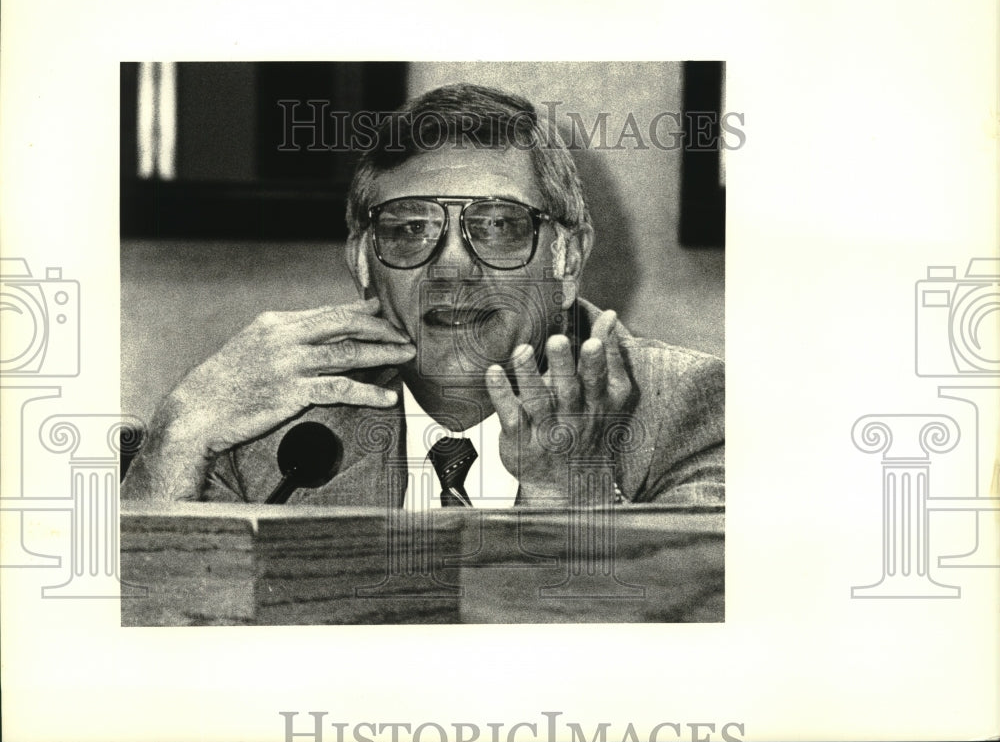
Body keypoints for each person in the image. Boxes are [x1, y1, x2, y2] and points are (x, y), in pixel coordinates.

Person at [121, 83, 724, 509]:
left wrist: (574, 497)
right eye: (410, 230)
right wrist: (175, 436)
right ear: (363, 261)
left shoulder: (695, 411)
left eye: (496, 225)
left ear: (566, 259)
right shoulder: (271, 431)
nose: (452, 269)